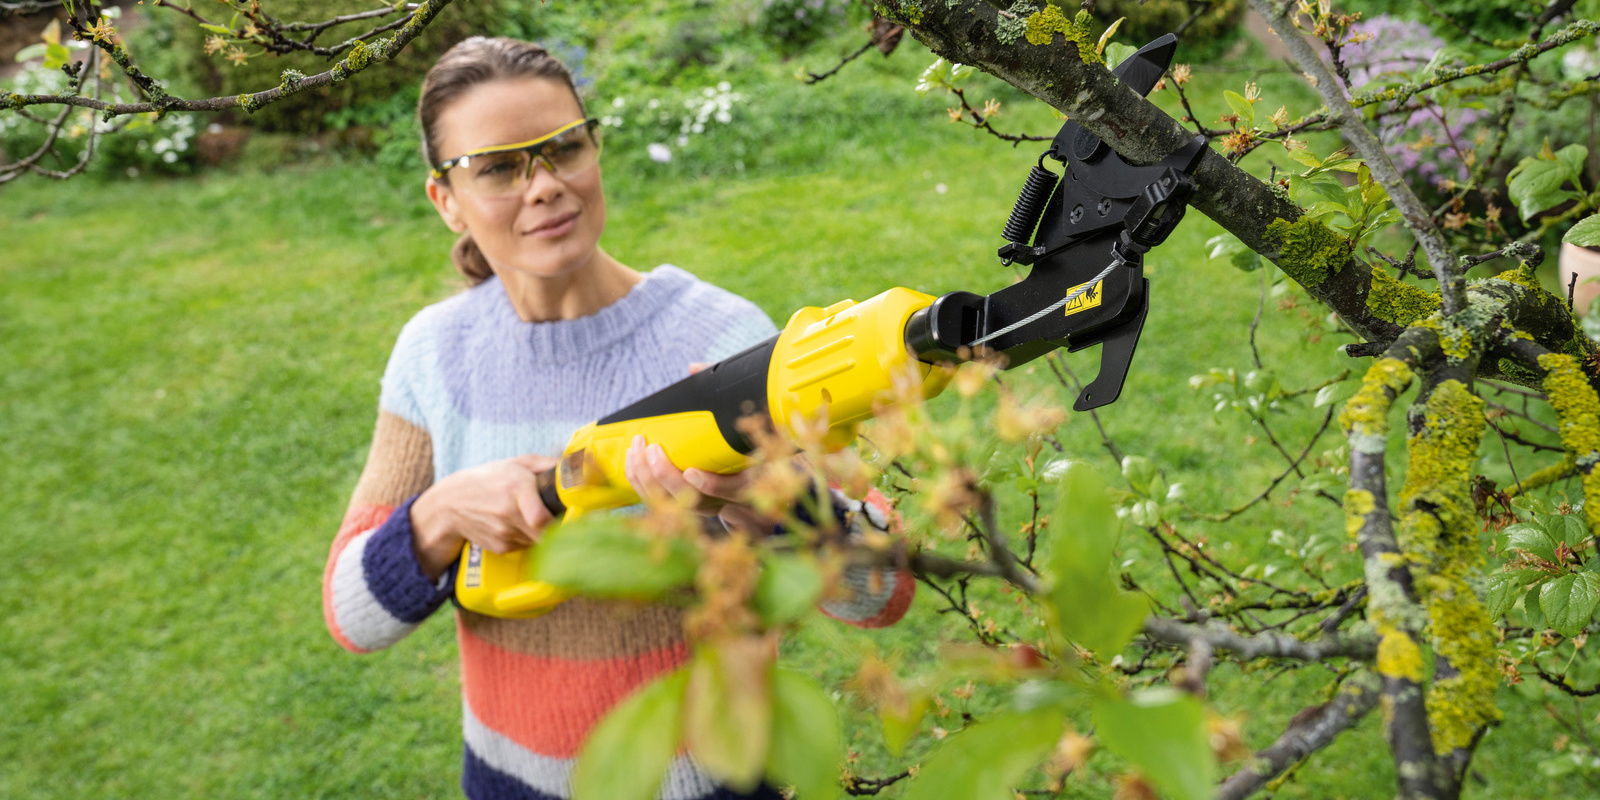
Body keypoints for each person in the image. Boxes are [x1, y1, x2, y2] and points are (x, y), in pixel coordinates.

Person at [320, 37, 914, 800]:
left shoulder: (720, 342)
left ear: (594, 149)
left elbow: (883, 593)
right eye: (499, 167)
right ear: (446, 200)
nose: (544, 186)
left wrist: (767, 498)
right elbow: (351, 614)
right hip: (507, 782)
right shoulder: (433, 356)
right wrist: (438, 515)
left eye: (563, 148)